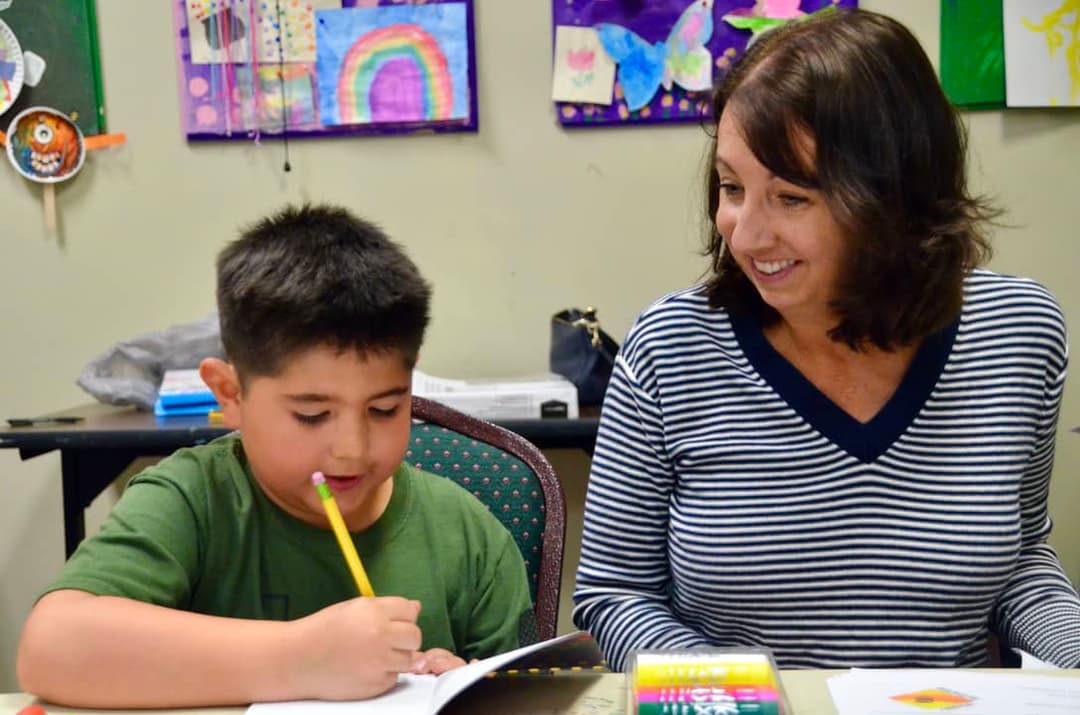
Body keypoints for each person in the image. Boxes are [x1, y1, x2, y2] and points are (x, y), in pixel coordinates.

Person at [573, 9, 1080, 671]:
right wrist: (747, 698)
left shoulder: (1018, 331)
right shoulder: (670, 347)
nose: (745, 233)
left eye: (791, 198)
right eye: (731, 188)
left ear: (892, 198)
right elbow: (615, 593)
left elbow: (1020, 563)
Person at [17, 204, 532, 707]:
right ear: (231, 395)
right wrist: (304, 658)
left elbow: (531, 696)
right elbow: (50, 648)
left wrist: (463, 688)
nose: (351, 451)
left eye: (384, 408)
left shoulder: (470, 537)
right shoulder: (193, 500)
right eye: (311, 415)